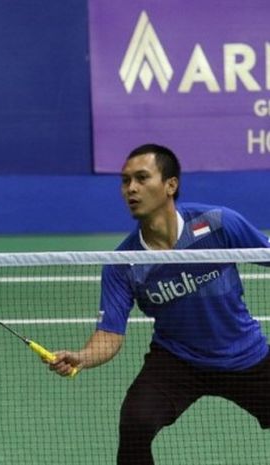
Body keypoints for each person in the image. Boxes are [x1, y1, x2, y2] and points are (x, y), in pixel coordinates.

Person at [48, 144, 270, 464]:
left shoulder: (218, 224)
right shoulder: (122, 263)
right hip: (178, 361)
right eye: (125, 181)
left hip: (244, 354)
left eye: (141, 178)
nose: (131, 189)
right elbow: (109, 335)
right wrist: (83, 356)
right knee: (135, 423)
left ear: (170, 185)